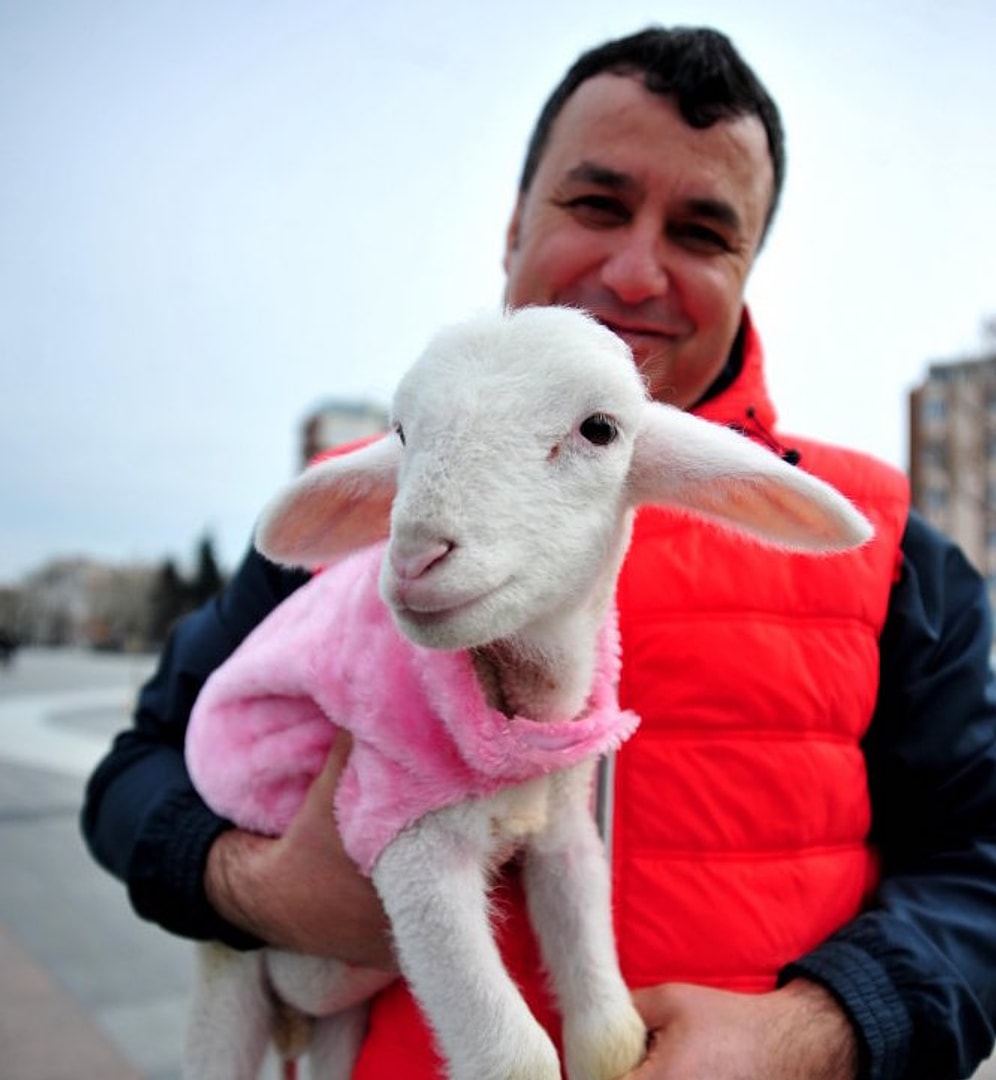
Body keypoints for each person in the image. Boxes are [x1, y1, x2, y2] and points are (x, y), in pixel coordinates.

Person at [81, 25, 996, 1080]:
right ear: (515, 222)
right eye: (597, 204)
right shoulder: (361, 515)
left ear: (749, 267)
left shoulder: (885, 546)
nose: (636, 272)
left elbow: (979, 864)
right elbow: (136, 774)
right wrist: (259, 886)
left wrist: (821, 1031)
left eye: (702, 231)